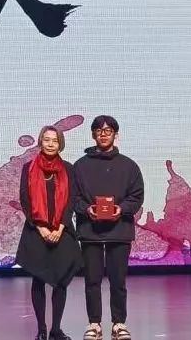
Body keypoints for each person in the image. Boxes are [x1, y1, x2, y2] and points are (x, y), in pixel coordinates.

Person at [72, 116, 144, 340]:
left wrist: (121, 209)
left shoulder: (129, 166)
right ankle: (94, 324)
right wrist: (87, 209)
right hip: (90, 230)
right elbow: (72, 197)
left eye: (108, 131)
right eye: (99, 131)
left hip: (119, 230)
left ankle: (118, 323)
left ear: (116, 135)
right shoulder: (80, 166)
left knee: (118, 281)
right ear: (93, 135)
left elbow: (137, 196)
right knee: (92, 280)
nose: (103, 134)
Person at [16, 126, 83, 340]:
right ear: (40, 142)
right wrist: (41, 227)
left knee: (61, 280)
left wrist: (60, 227)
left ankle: (56, 329)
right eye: (47, 140)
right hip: (36, 231)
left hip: (62, 231)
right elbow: (25, 200)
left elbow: (71, 200)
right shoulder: (28, 168)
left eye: (55, 140)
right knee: (39, 279)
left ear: (60, 143)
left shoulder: (68, 169)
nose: (51, 144)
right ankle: (42, 330)